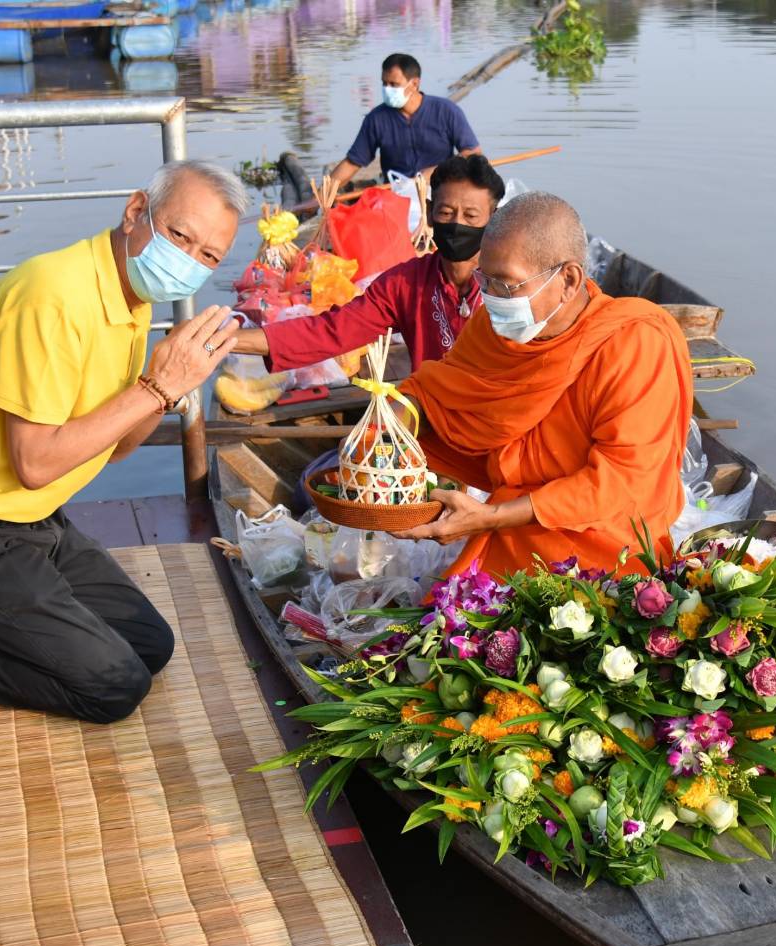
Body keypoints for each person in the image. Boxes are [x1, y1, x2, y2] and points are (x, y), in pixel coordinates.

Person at [0, 160, 250, 722]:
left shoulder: (129, 298)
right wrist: (156, 386)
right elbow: (36, 464)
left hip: (33, 523)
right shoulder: (53, 295)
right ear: (136, 211)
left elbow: (116, 447)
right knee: (114, 688)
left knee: (148, 646)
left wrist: (167, 389)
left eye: (209, 256)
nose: (189, 261)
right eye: (179, 236)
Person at [393, 191, 693, 579]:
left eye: (507, 285)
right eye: (485, 280)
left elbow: (621, 483)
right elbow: (438, 394)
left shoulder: (634, 343)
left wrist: (491, 517)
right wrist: (390, 426)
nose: (492, 298)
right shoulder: (493, 327)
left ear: (568, 279)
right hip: (509, 520)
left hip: (604, 547)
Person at [232, 153, 505, 372]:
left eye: (471, 216)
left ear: (494, 220)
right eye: (446, 212)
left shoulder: (512, 285)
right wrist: (226, 341)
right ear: (430, 213)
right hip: (432, 413)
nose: (457, 224)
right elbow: (331, 331)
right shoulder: (405, 283)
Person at [327, 53, 482, 192]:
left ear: (414, 84)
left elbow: (472, 153)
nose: (387, 89)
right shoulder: (376, 118)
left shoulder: (446, 110)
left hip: (441, 189)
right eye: (384, 83)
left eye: (393, 84)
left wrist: (437, 171)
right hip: (396, 192)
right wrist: (322, 195)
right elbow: (352, 163)